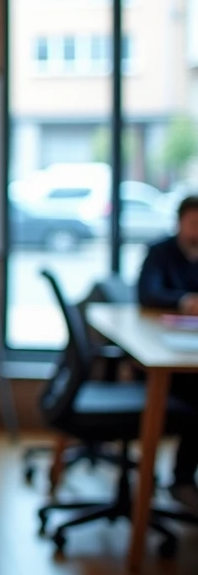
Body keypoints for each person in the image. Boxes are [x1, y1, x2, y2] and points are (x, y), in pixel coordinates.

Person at [137, 195, 198, 511]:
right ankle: (181, 480)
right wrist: (184, 302)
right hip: (156, 358)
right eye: (193, 223)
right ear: (179, 223)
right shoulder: (160, 252)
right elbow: (148, 293)